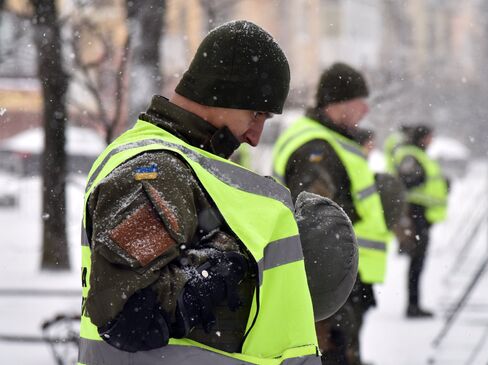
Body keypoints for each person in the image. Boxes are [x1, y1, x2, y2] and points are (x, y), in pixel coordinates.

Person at [78, 20, 357, 365]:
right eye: (256, 114)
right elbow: (127, 312)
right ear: (223, 93)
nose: (255, 136)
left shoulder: (186, 166)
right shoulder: (154, 170)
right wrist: (223, 270)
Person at [272, 63, 392, 365]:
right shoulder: (316, 147)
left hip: (343, 274)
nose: (365, 109)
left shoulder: (330, 141)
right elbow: (316, 220)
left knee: (345, 348)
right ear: (338, 103)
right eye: (359, 102)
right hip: (329, 278)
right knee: (334, 351)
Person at [393, 124, 448, 318]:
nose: (432, 141)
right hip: (414, 214)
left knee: (419, 262)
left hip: (421, 215)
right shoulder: (410, 154)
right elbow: (406, 179)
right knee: (416, 261)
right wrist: (419, 177)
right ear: (422, 138)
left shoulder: (418, 154)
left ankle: (414, 304)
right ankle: (412, 306)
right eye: (429, 137)